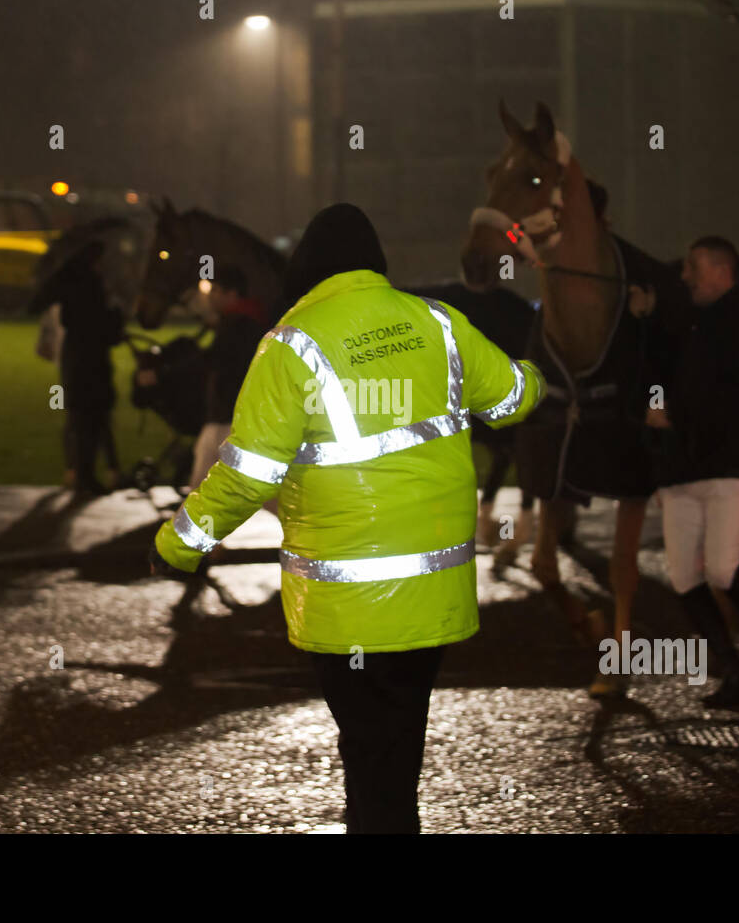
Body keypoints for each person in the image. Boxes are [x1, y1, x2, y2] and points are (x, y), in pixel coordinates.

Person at [150, 203, 546, 833]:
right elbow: (513, 400)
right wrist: (537, 372)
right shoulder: (438, 324)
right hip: (432, 592)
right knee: (396, 744)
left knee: (368, 747)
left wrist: (180, 542)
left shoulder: (290, 345)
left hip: (345, 600)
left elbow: (248, 474)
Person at [647, 236, 739, 707]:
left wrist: (675, 415)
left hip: (729, 465)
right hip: (683, 469)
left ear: (721, 269)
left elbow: (736, 396)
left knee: (723, 569)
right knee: (686, 576)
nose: (685, 276)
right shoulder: (690, 321)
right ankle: (733, 672)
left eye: (693, 267)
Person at [137, 266, 268, 492]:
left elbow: (207, 360)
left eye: (216, 290)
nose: (211, 296)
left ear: (232, 294)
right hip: (241, 416)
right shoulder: (249, 321)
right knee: (257, 488)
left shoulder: (236, 325)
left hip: (225, 418)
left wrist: (160, 374)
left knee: (201, 487)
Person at [29, 241, 124, 497]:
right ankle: (87, 475)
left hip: (76, 358)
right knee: (91, 416)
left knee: (79, 416)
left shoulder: (68, 282)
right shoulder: (89, 284)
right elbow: (101, 325)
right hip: (91, 359)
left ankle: (80, 471)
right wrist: (116, 317)